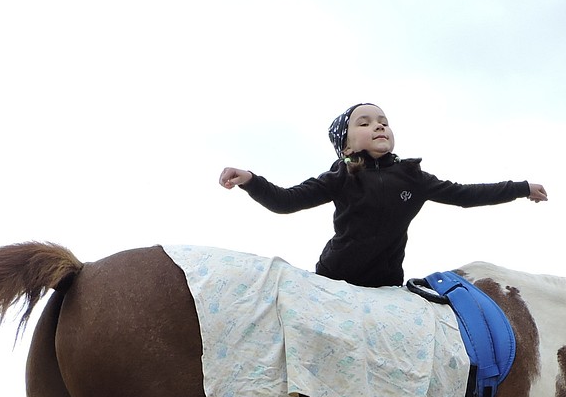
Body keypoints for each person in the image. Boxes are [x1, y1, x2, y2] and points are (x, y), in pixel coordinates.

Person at [219, 102, 548, 288]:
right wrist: (251, 180)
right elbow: (285, 202)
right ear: (346, 144)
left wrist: (519, 189)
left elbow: (464, 194)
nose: (378, 126)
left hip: (386, 285)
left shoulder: (412, 177)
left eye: (383, 122)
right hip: (334, 278)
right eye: (364, 123)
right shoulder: (342, 175)